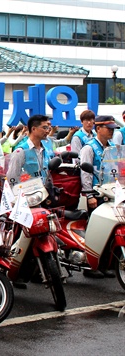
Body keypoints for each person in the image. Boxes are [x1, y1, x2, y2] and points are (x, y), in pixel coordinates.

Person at [79, 115, 118, 278]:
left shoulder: (112, 148)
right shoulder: (89, 148)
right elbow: (85, 173)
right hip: (96, 193)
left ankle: (105, 264)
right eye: (108, 128)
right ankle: (89, 265)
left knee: (110, 230)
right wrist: (89, 195)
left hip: (110, 192)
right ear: (98, 128)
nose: (111, 131)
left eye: (112, 128)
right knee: (94, 230)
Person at [6, 115, 54, 186]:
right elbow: (12, 177)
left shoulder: (45, 150)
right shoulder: (21, 151)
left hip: (43, 193)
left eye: (48, 128)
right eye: (44, 128)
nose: (47, 131)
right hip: (26, 193)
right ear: (33, 129)